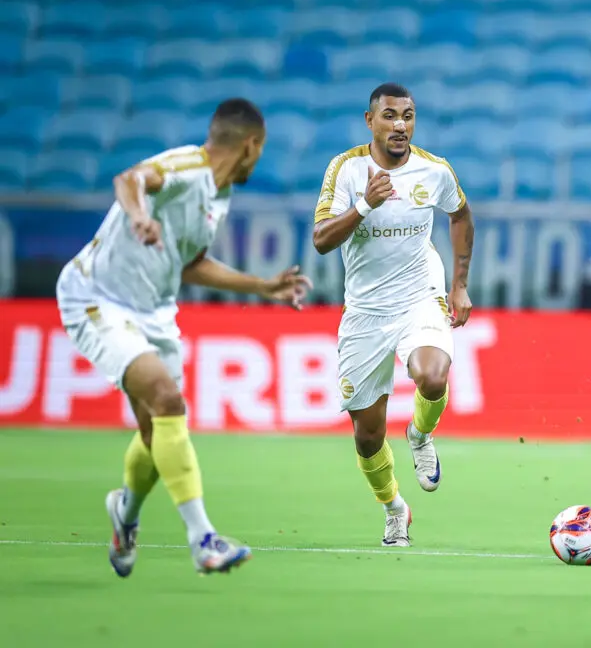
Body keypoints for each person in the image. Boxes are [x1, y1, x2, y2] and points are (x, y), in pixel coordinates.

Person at [55, 98, 313, 577]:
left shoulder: (219, 196)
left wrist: (260, 286)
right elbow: (129, 179)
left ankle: (125, 512)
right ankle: (203, 540)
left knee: (156, 432)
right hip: (97, 298)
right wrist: (138, 215)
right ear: (251, 145)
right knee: (167, 400)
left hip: (153, 309)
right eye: (260, 151)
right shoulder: (187, 167)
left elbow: (189, 263)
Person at [312, 83, 475, 548]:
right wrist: (365, 203)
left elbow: (461, 216)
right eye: (389, 115)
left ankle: (420, 434)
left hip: (419, 294)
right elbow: (321, 240)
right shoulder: (346, 169)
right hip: (365, 311)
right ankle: (395, 510)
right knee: (367, 436)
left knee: (433, 375)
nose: (400, 125)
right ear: (370, 121)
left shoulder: (434, 169)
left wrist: (459, 284)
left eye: (408, 115)